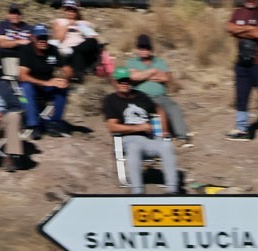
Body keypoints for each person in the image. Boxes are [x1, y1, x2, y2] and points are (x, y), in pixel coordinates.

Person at [103, 67, 179, 195]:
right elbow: (112, 127)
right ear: (114, 82)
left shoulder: (140, 96)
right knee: (134, 147)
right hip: (127, 139)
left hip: (148, 139)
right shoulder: (111, 100)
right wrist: (139, 127)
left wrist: (164, 131)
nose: (124, 83)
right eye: (121, 81)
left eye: (126, 80)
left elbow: (158, 109)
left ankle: (172, 190)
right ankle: (137, 192)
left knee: (166, 145)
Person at [225, 0, 258, 141]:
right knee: (241, 96)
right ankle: (241, 128)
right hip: (242, 62)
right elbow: (229, 27)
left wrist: (240, 30)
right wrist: (250, 29)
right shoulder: (238, 12)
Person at [126, 34, 190, 146]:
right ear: (137, 49)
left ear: (151, 49)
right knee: (157, 111)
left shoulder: (159, 61)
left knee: (173, 107)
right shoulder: (132, 62)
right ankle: (159, 138)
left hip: (161, 96)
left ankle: (182, 137)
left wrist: (142, 75)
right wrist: (153, 71)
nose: (143, 51)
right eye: (140, 48)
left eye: (146, 48)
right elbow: (133, 77)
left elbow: (166, 77)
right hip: (142, 97)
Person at [18, 24, 71, 139]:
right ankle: (33, 125)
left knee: (62, 88)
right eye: (39, 38)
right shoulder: (27, 50)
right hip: (32, 86)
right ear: (33, 38)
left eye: (45, 38)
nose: (42, 41)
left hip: (47, 86)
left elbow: (67, 69)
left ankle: (54, 123)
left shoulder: (53, 50)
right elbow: (22, 76)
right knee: (25, 88)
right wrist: (46, 83)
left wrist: (65, 79)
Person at [52, 0, 102, 80]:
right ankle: (78, 74)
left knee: (92, 41)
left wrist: (81, 28)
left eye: (73, 10)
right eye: (68, 10)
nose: (70, 12)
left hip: (79, 49)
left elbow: (94, 38)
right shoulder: (60, 21)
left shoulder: (83, 23)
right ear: (64, 10)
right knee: (77, 53)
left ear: (76, 11)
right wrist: (67, 25)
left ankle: (74, 51)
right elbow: (59, 39)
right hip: (67, 51)